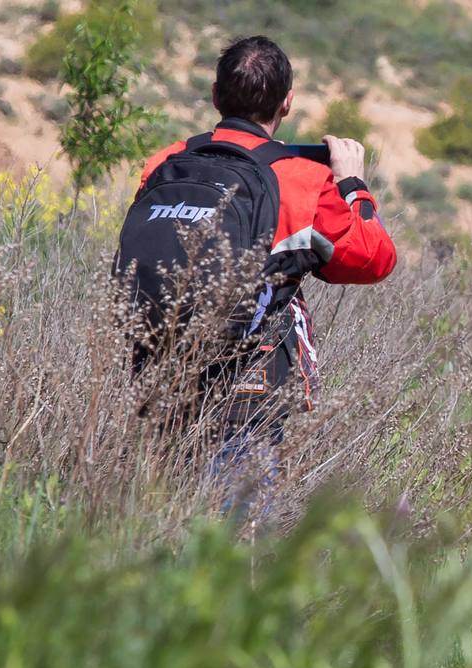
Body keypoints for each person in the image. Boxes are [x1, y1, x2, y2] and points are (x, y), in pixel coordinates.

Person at [121, 34, 396, 486]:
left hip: (156, 374)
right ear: (286, 104)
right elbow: (373, 259)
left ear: (215, 96)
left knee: (157, 527)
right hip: (243, 393)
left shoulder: (165, 162)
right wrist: (352, 186)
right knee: (234, 544)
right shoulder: (300, 182)